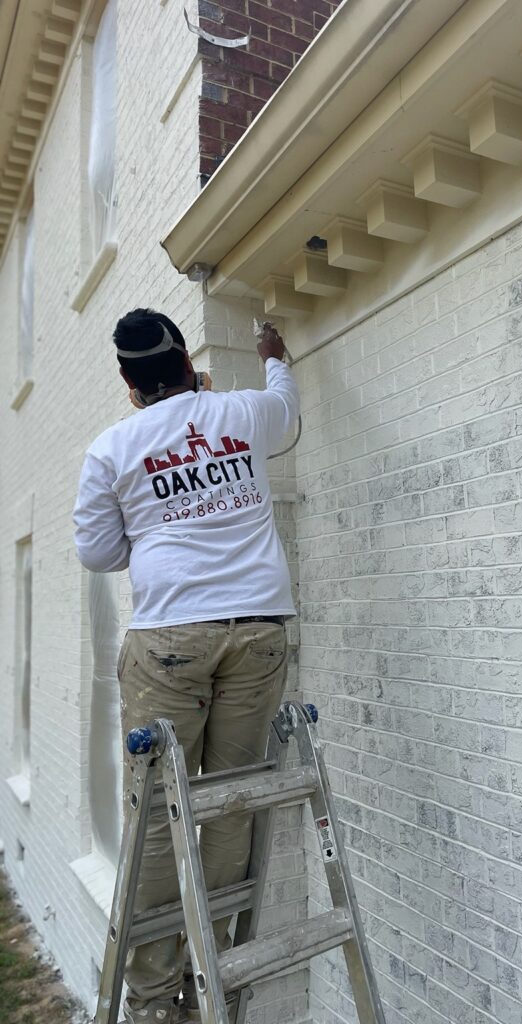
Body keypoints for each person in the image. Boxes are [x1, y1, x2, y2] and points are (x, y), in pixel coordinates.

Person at [73, 309, 299, 1024]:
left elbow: (99, 552)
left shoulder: (114, 447)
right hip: (259, 630)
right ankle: (218, 985)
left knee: (157, 819)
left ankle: (152, 1003)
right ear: (187, 363)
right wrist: (272, 356)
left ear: (127, 380)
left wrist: (158, 525)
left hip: (170, 640)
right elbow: (287, 413)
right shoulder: (240, 411)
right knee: (231, 805)